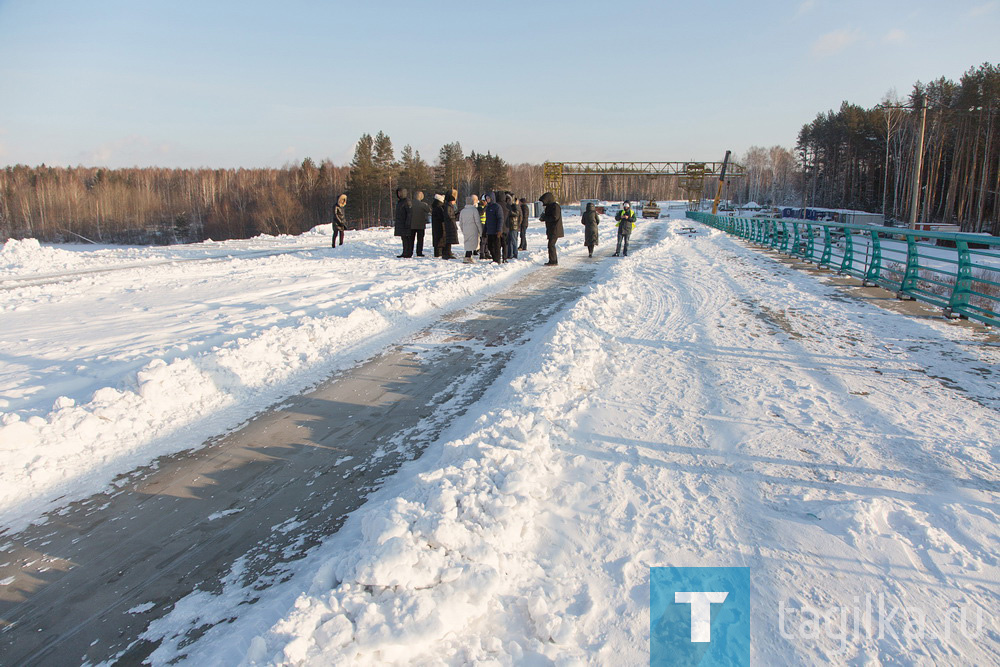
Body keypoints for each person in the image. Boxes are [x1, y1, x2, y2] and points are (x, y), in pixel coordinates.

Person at [538, 191, 563, 265]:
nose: (543, 204)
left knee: (551, 245)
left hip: (555, 229)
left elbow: (555, 217)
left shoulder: (555, 206)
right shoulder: (550, 206)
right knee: (551, 245)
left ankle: (553, 261)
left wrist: (545, 217)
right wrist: (543, 218)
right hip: (551, 229)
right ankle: (553, 260)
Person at [459, 195, 481, 263]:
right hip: (473, 229)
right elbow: (477, 221)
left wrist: (463, 229)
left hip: (465, 229)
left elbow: (460, 222)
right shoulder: (474, 210)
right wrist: (480, 230)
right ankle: (468, 257)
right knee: (472, 243)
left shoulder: (462, 211)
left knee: (467, 243)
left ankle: (468, 256)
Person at [484, 192, 504, 264]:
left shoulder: (497, 207)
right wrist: (484, 230)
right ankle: (494, 258)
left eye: (488, 198)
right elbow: (487, 220)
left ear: (492, 198)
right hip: (490, 231)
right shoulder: (488, 207)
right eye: (486, 199)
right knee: (490, 246)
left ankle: (497, 260)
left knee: (496, 246)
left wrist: (499, 230)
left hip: (496, 231)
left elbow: (500, 218)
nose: (487, 200)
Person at [410, 191, 430, 257]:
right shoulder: (423, 205)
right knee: (420, 240)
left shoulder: (410, 203)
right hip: (420, 225)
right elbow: (429, 210)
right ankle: (419, 252)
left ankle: (410, 251)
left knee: (411, 239)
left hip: (411, 225)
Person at [394, 188, 412, 257]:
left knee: (406, 239)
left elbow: (409, 213)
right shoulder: (400, 202)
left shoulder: (406, 201)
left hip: (405, 223)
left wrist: (408, 222)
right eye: (398, 193)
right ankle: (405, 252)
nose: (399, 194)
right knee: (404, 238)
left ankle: (407, 253)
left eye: (400, 193)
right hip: (401, 223)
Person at [442, 193, 459, 259]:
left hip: (450, 224)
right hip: (449, 225)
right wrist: (455, 216)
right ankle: (447, 253)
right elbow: (449, 216)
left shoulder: (448, 206)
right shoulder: (448, 206)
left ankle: (448, 252)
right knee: (448, 239)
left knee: (449, 239)